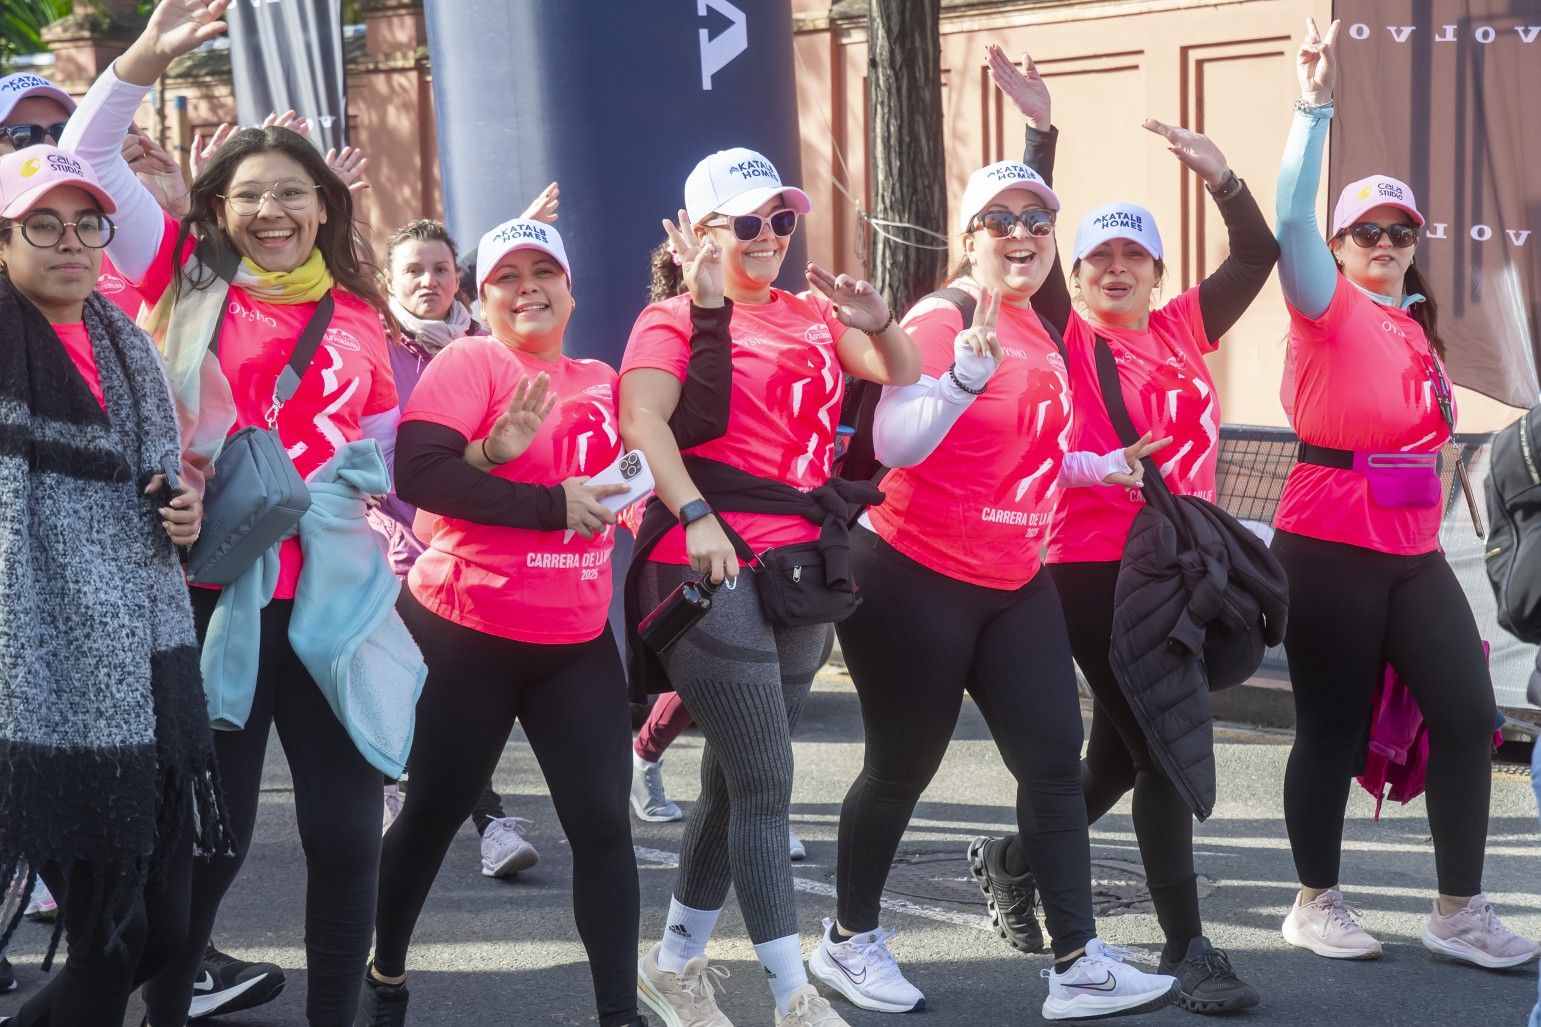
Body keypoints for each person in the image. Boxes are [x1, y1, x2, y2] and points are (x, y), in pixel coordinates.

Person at [61, 3, 420, 1023]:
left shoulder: (355, 312)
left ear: (324, 209)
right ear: (219, 208)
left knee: (349, 839)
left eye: (293, 194)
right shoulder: (189, 272)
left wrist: (396, 487)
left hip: (335, 607)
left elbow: (384, 444)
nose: (273, 211)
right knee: (200, 852)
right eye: (252, 194)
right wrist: (145, 56)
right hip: (211, 594)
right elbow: (87, 150)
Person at [965, 44, 1276, 1015]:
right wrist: (1039, 134)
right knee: (1154, 752)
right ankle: (1186, 945)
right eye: (1094, 255)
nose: (1109, 268)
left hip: (1175, 566)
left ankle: (1010, 860)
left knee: (1119, 750)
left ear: (1152, 268)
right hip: (1083, 569)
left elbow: (1257, 256)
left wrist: (1222, 177)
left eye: (1127, 256)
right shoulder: (1063, 330)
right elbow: (1026, 227)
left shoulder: (1183, 325)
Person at [620, 147, 920, 1027]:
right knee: (767, 779)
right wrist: (695, 513)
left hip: (800, 570)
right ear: (702, 232)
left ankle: (673, 963)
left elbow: (897, 370)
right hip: (705, 563)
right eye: (747, 222)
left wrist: (876, 316)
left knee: (732, 781)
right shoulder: (668, 318)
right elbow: (642, 422)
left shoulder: (806, 312)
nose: (768, 238)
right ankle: (793, 995)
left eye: (780, 221)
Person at [1271, 18, 1538, 969]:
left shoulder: (1416, 327)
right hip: (1326, 544)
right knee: (1330, 729)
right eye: (1366, 231)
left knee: (1469, 717)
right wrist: (1312, 108)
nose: (1383, 242)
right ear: (1340, 245)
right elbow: (1290, 220)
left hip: (1409, 552)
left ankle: (1456, 911)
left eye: (1398, 230)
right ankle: (1313, 899)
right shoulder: (1323, 306)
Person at [360, 217, 644, 1027]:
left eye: (542, 272)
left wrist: (665, 523)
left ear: (569, 287)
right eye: (507, 277)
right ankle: (384, 970)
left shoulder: (600, 374)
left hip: (575, 644)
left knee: (602, 826)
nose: (528, 289)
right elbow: (422, 475)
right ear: (482, 298)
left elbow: (622, 489)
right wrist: (549, 502)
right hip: (464, 632)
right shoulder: (471, 360)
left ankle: (618, 1012)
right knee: (432, 815)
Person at [0, 143, 224, 1024]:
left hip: (141, 666)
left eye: (87, 223)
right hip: (37, 682)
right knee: (112, 944)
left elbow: (154, 479)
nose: (71, 242)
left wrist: (182, 515)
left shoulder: (124, 341)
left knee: (164, 934)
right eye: (42, 224)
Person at [373, 216, 545, 879]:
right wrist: (381, 520)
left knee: (457, 689)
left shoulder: (485, 344)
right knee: (402, 678)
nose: (429, 281)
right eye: (413, 269)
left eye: (441, 269)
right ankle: (433, 800)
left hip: (469, 544)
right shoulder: (376, 343)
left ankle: (482, 820)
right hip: (387, 537)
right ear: (389, 280)